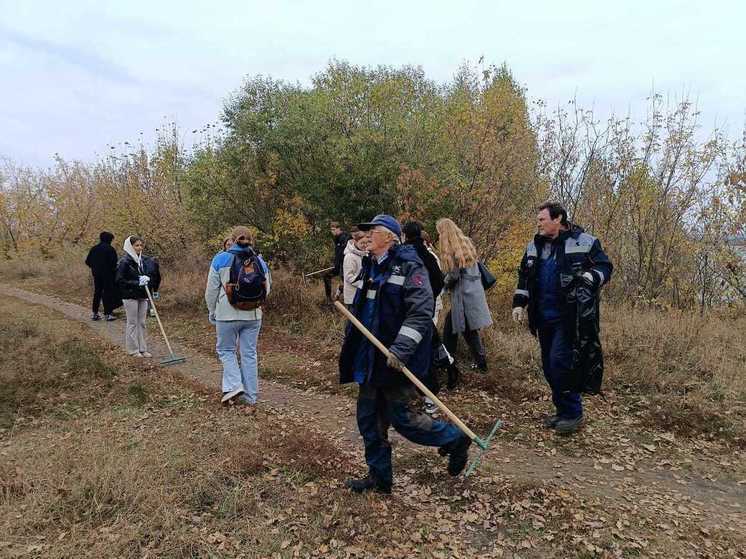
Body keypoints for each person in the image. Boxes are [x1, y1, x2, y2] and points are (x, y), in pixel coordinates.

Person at [339, 214, 471, 494]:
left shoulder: (410, 267)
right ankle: (379, 479)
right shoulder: (370, 266)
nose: (366, 237)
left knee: (405, 421)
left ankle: (455, 438)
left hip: (397, 361)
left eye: (372, 231)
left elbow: (420, 312)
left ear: (389, 236)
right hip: (372, 361)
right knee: (369, 421)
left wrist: (400, 349)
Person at [512, 202, 613, 434]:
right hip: (542, 317)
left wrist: (590, 277)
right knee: (549, 367)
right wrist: (519, 303)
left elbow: (605, 267)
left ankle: (573, 413)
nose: (538, 224)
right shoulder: (534, 247)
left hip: (570, 318)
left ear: (557, 219)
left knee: (560, 364)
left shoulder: (584, 241)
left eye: (542, 219)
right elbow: (525, 278)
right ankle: (562, 411)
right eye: (538, 220)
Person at [205, 226, 271, 410]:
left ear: (232, 240)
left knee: (226, 351)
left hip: (226, 315)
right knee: (249, 354)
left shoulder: (220, 258)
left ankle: (234, 386)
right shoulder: (259, 261)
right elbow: (267, 289)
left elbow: (211, 291)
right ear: (251, 240)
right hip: (253, 315)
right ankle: (251, 397)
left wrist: (212, 310)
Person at [403, 221, 460, 414]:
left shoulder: (419, 255)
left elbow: (438, 281)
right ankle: (421, 390)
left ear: (404, 235)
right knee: (424, 347)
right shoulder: (424, 254)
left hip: (421, 311)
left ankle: (431, 394)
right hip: (421, 309)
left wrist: (423, 299)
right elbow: (438, 281)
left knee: (424, 350)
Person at [436, 218, 493, 372]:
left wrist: (442, 286)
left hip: (463, 297)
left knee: (452, 328)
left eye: (439, 232)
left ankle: (448, 362)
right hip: (472, 293)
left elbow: (453, 276)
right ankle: (479, 364)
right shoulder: (465, 243)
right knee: (467, 330)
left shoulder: (452, 249)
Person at [115, 235, 161, 358]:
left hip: (143, 295)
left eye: (141, 245)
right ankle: (133, 349)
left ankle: (143, 348)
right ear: (130, 246)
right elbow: (120, 280)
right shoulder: (124, 262)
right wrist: (137, 282)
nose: (139, 248)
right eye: (136, 245)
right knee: (132, 322)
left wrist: (148, 280)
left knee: (142, 322)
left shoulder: (144, 260)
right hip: (130, 296)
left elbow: (151, 274)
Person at [85, 231, 119, 321]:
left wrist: (95, 267)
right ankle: (108, 314)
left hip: (96, 274)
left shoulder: (94, 249)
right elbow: (114, 263)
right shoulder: (110, 249)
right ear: (109, 239)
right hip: (108, 275)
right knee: (108, 293)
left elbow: (87, 261)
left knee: (97, 292)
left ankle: (95, 313)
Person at [323, 222, 351, 304]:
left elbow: (344, 253)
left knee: (348, 284)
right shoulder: (336, 238)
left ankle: (340, 290)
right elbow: (338, 253)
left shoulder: (345, 238)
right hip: (338, 265)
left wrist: (339, 263)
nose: (333, 231)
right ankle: (329, 300)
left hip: (345, 265)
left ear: (339, 229)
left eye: (334, 229)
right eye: (331, 230)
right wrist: (336, 263)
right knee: (326, 276)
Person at [341, 228, 368, 307]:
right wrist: (363, 284)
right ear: (355, 241)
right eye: (362, 243)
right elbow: (349, 277)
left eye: (366, 243)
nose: (365, 245)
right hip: (352, 297)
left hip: (361, 295)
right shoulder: (350, 257)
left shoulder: (364, 254)